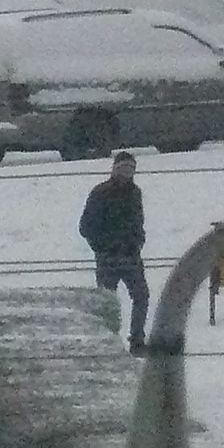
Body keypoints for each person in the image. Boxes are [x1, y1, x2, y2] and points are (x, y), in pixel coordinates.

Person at [79, 149, 148, 351]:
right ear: (114, 169)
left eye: (131, 168)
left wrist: (138, 240)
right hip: (108, 257)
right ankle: (108, 342)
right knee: (107, 302)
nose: (127, 173)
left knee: (141, 296)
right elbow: (85, 227)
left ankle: (137, 340)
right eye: (123, 168)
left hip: (131, 255)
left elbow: (138, 222)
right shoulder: (100, 193)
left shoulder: (136, 194)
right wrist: (102, 247)